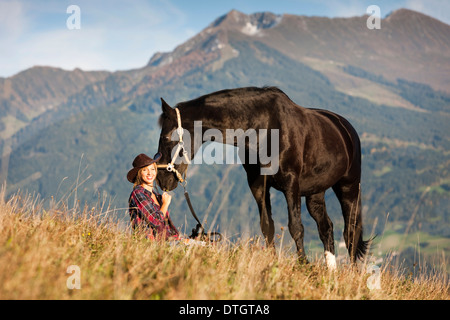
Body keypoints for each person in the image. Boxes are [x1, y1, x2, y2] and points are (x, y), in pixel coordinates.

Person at [127, 153, 180, 241]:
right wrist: (165, 204)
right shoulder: (138, 194)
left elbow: (164, 226)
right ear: (139, 173)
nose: (149, 173)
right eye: (145, 170)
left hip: (166, 242)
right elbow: (156, 221)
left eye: (152, 169)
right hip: (150, 244)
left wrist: (179, 239)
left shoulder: (155, 195)